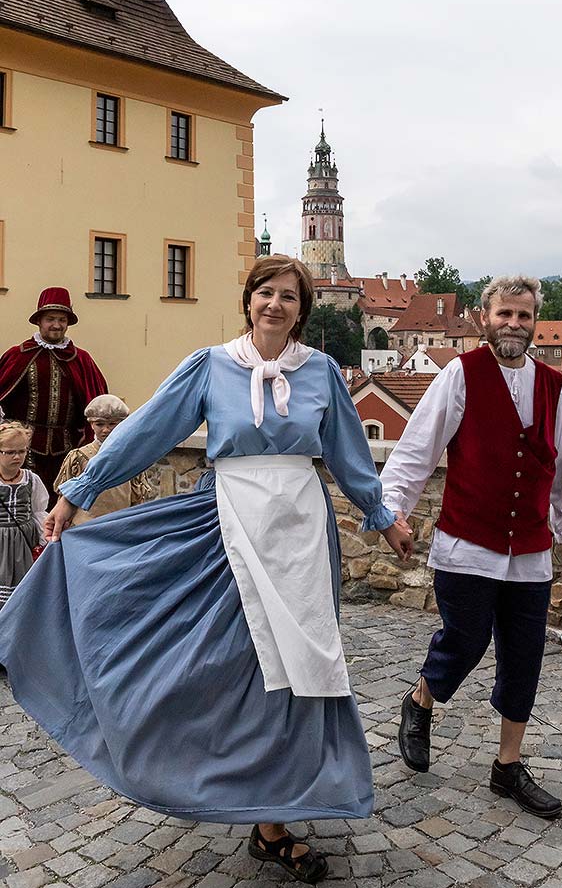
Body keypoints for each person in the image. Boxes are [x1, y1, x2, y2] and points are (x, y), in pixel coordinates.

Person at [0, 255, 410, 884]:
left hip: (301, 534)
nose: (275, 305)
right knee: (227, 661)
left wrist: (382, 514)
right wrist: (79, 490)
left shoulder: (322, 371)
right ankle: (204, 771)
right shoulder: (212, 365)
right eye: (265, 294)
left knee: (298, 667)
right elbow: (145, 431)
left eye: (289, 297)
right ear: (248, 300)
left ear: (303, 310)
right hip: (228, 524)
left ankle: (274, 818)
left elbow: (350, 455)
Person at [380, 274, 562, 820]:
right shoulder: (460, 374)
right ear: (484, 318)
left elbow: (561, 466)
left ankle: (507, 765)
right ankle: (421, 700)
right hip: (466, 542)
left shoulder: (552, 384)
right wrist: (392, 513)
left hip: (529, 549)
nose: (514, 325)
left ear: (535, 322)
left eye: (523, 316)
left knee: (524, 657)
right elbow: (414, 452)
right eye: (505, 315)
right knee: (466, 639)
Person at [0, 287, 108, 506]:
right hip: (23, 449)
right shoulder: (18, 355)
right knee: (23, 505)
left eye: (61, 319)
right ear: (39, 321)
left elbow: (99, 403)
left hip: (67, 449)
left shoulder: (82, 360)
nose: (57, 325)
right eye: (50, 319)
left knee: (63, 506)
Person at [54, 395, 152, 524]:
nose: (106, 430)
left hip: (120, 525)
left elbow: (138, 498)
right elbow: (64, 497)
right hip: (84, 528)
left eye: (112, 424)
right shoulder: (79, 457)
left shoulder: (130, 457)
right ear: (91, 425)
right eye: (100, 424)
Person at [0, 420, 48, 610]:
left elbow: (38, 511)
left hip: (23, 543)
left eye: (22, 451)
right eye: (10, 452)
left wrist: (45, 538)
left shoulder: (31, 479)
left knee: (21, 594)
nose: (17, 457)